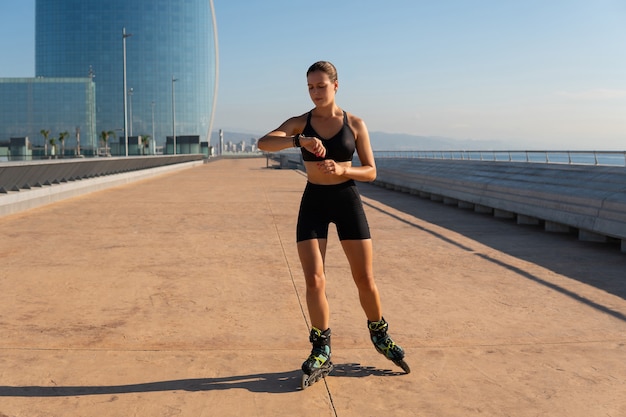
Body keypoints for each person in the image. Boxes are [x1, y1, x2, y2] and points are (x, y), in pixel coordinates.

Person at [258, 61, 408, 375]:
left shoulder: (354, 124)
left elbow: (371, 171)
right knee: (314, 280)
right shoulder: (301, 122)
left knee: (364, 278)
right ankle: (321, 347)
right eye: (310, 87)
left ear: (336, 86)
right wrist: (299, 141)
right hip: (313, 201)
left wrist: (342, 170)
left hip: (346, 200)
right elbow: (264, 142)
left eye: (321, 86)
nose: (315, 92)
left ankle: (380, 334)